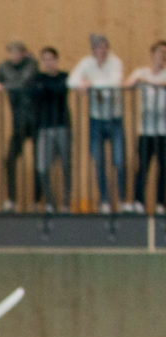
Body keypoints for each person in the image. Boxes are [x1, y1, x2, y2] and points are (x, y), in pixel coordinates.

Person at [69, 34, 128, 213]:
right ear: (93, 50)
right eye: (98, 48)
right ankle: (104, 200)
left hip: (114, 118)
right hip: (96, 119)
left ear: (108, 48)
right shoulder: (86, 63)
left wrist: (90, 84)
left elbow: (115, 83)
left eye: (104, 47)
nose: (101, 51)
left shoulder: (115, 62)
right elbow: (71, 81)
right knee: (99, 160)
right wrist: (82, 84)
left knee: (119, 160)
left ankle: (123, 200)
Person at [0, 41, 39, 211]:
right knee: (10, 160)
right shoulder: (5, 66)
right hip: (19, 123)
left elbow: (23, 83)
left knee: (39, 162)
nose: (14, 56)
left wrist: (0, 86)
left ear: (23, 53)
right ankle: (12, 198)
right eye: (11, 52)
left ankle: (37, 200)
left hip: (36, 120)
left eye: (17, 52)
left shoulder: (32, 64)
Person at [127, 41, 166, 214]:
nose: (162, 56)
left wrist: (156, 84)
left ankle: (160, 203)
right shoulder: (142, 72)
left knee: (163, 168)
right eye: (159, 52)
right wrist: (141, 80)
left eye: (165, 53)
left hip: (163, 130)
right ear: (152, 54)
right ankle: (138, 201)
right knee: (142, 166)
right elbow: (127, 84)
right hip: (146, 130)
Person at [32, 47, 73, 212]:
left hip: (63, 126)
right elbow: (34, 93)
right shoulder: (37, 77)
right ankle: (50, 201)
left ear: (56, 60)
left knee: (66, 166)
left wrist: (46, 88)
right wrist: (47, 88)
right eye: (45, 59)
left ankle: (66, 203)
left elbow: (59, 90)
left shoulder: (64, 76)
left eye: (51, 59)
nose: (48, 62)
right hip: (45, 127)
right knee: (42, 168)